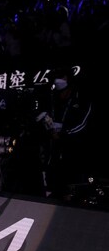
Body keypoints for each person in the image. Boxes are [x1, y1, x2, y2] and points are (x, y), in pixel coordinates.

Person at [40, 66, 93, 201]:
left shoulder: (82, 98)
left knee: (74, 184)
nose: (59, 82)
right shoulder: (54, 98)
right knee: (54, 182)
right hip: (55, 150)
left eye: (62, 78)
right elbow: (48, 118)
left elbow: (82, 124)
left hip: (76, 150)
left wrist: (64, 133)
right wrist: (50, 127)